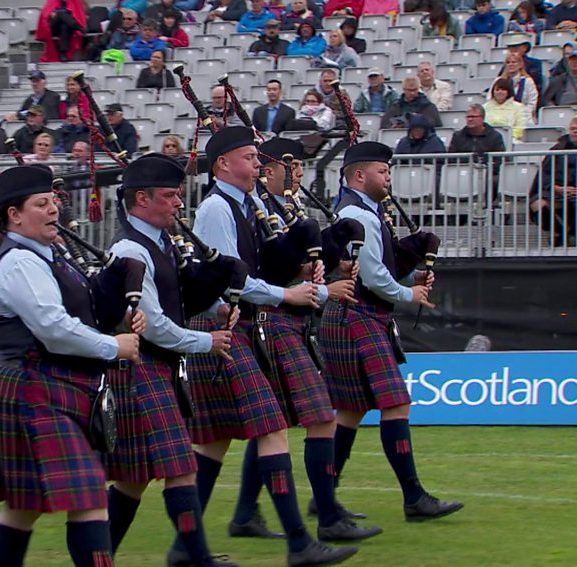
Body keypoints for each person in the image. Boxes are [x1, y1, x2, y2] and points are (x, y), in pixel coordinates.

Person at [169, 126, 359, 567]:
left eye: (257, 158)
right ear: (223, 164)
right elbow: (230, 277)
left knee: (213, 442)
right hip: (222, 324)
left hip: (237, 326)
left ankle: (184, 546)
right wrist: (285, 295)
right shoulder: (217, 208)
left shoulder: (249, 204)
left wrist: (311, 256)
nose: (259, 165)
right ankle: (298, 543)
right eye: (251, 158)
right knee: (270, 429)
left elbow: (267, 262)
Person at [0, 165, 143, 567]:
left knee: (24, 506)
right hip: (32, 387)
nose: (54, 210)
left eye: (54, 201)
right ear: (14, 215)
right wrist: (113, 346)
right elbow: (54, 329)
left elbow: (79, 313)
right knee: (87, 494)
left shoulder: (52, 256)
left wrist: (117, 299)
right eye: (41, 204)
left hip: (50, 386)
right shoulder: (20, 262)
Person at [229, 136, 382, 547]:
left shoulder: (278, 208)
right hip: (272, 318)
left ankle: (246, 513)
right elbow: (267, 271)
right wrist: (320, 284)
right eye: (291, 167)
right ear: (272, 168)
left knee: (273, 424)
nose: (297, 174)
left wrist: (327, 265)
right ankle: (325, 515)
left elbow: (291, 267)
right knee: (317, 419)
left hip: (290, 317)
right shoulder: (251, 209)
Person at [106, 154, 241, 567]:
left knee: (133, 480)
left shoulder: (161, 244)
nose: (179, 204)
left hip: (153, 369)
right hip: (140, 367)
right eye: (170, 196)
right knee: (180, 467)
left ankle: (98, 557)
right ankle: (194, 558)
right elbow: (153, 325)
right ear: (141, 200)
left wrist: (216, 307)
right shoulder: (131, 250)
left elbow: (173, 300)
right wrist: (207, 340)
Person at [320, 141, 464, 526]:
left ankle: (324, 498)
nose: (389, 177)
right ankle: (414, 496)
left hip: (354, 316)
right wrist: (409, 292)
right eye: (383, 171)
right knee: (395, 403)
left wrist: (410, 273)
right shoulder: (358, 215)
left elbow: (380, 267)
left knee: (350, 410)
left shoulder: (368, 213)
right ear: (359, 175)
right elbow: (372, 277)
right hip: (359, 316)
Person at [531, 116, 577, 246]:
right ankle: (560, 232)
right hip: (558, 193)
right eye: (573, 129)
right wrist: (557, 188)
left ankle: (570, 234)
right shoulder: (557, 150)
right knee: (538, 204)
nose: (575, 132)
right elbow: (545, 175)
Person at [448, 104, 506, 200]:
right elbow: (451, 159)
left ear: (482, 118)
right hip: (462, 174)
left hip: (487, 175)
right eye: (468, 117)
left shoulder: (495, 137)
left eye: (474, 117)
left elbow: (499, 161)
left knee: (494, 181)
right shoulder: (458, 136)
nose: (470, 119)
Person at [491, 52, 539, 124]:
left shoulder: (528, 81)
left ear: (520, 64)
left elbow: (532, 102)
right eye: (508, 62)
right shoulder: (498, 81)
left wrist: (519, 113)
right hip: (501, 114)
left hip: (524, 115)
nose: (511, 64)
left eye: (514, 62)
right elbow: (490, 99)